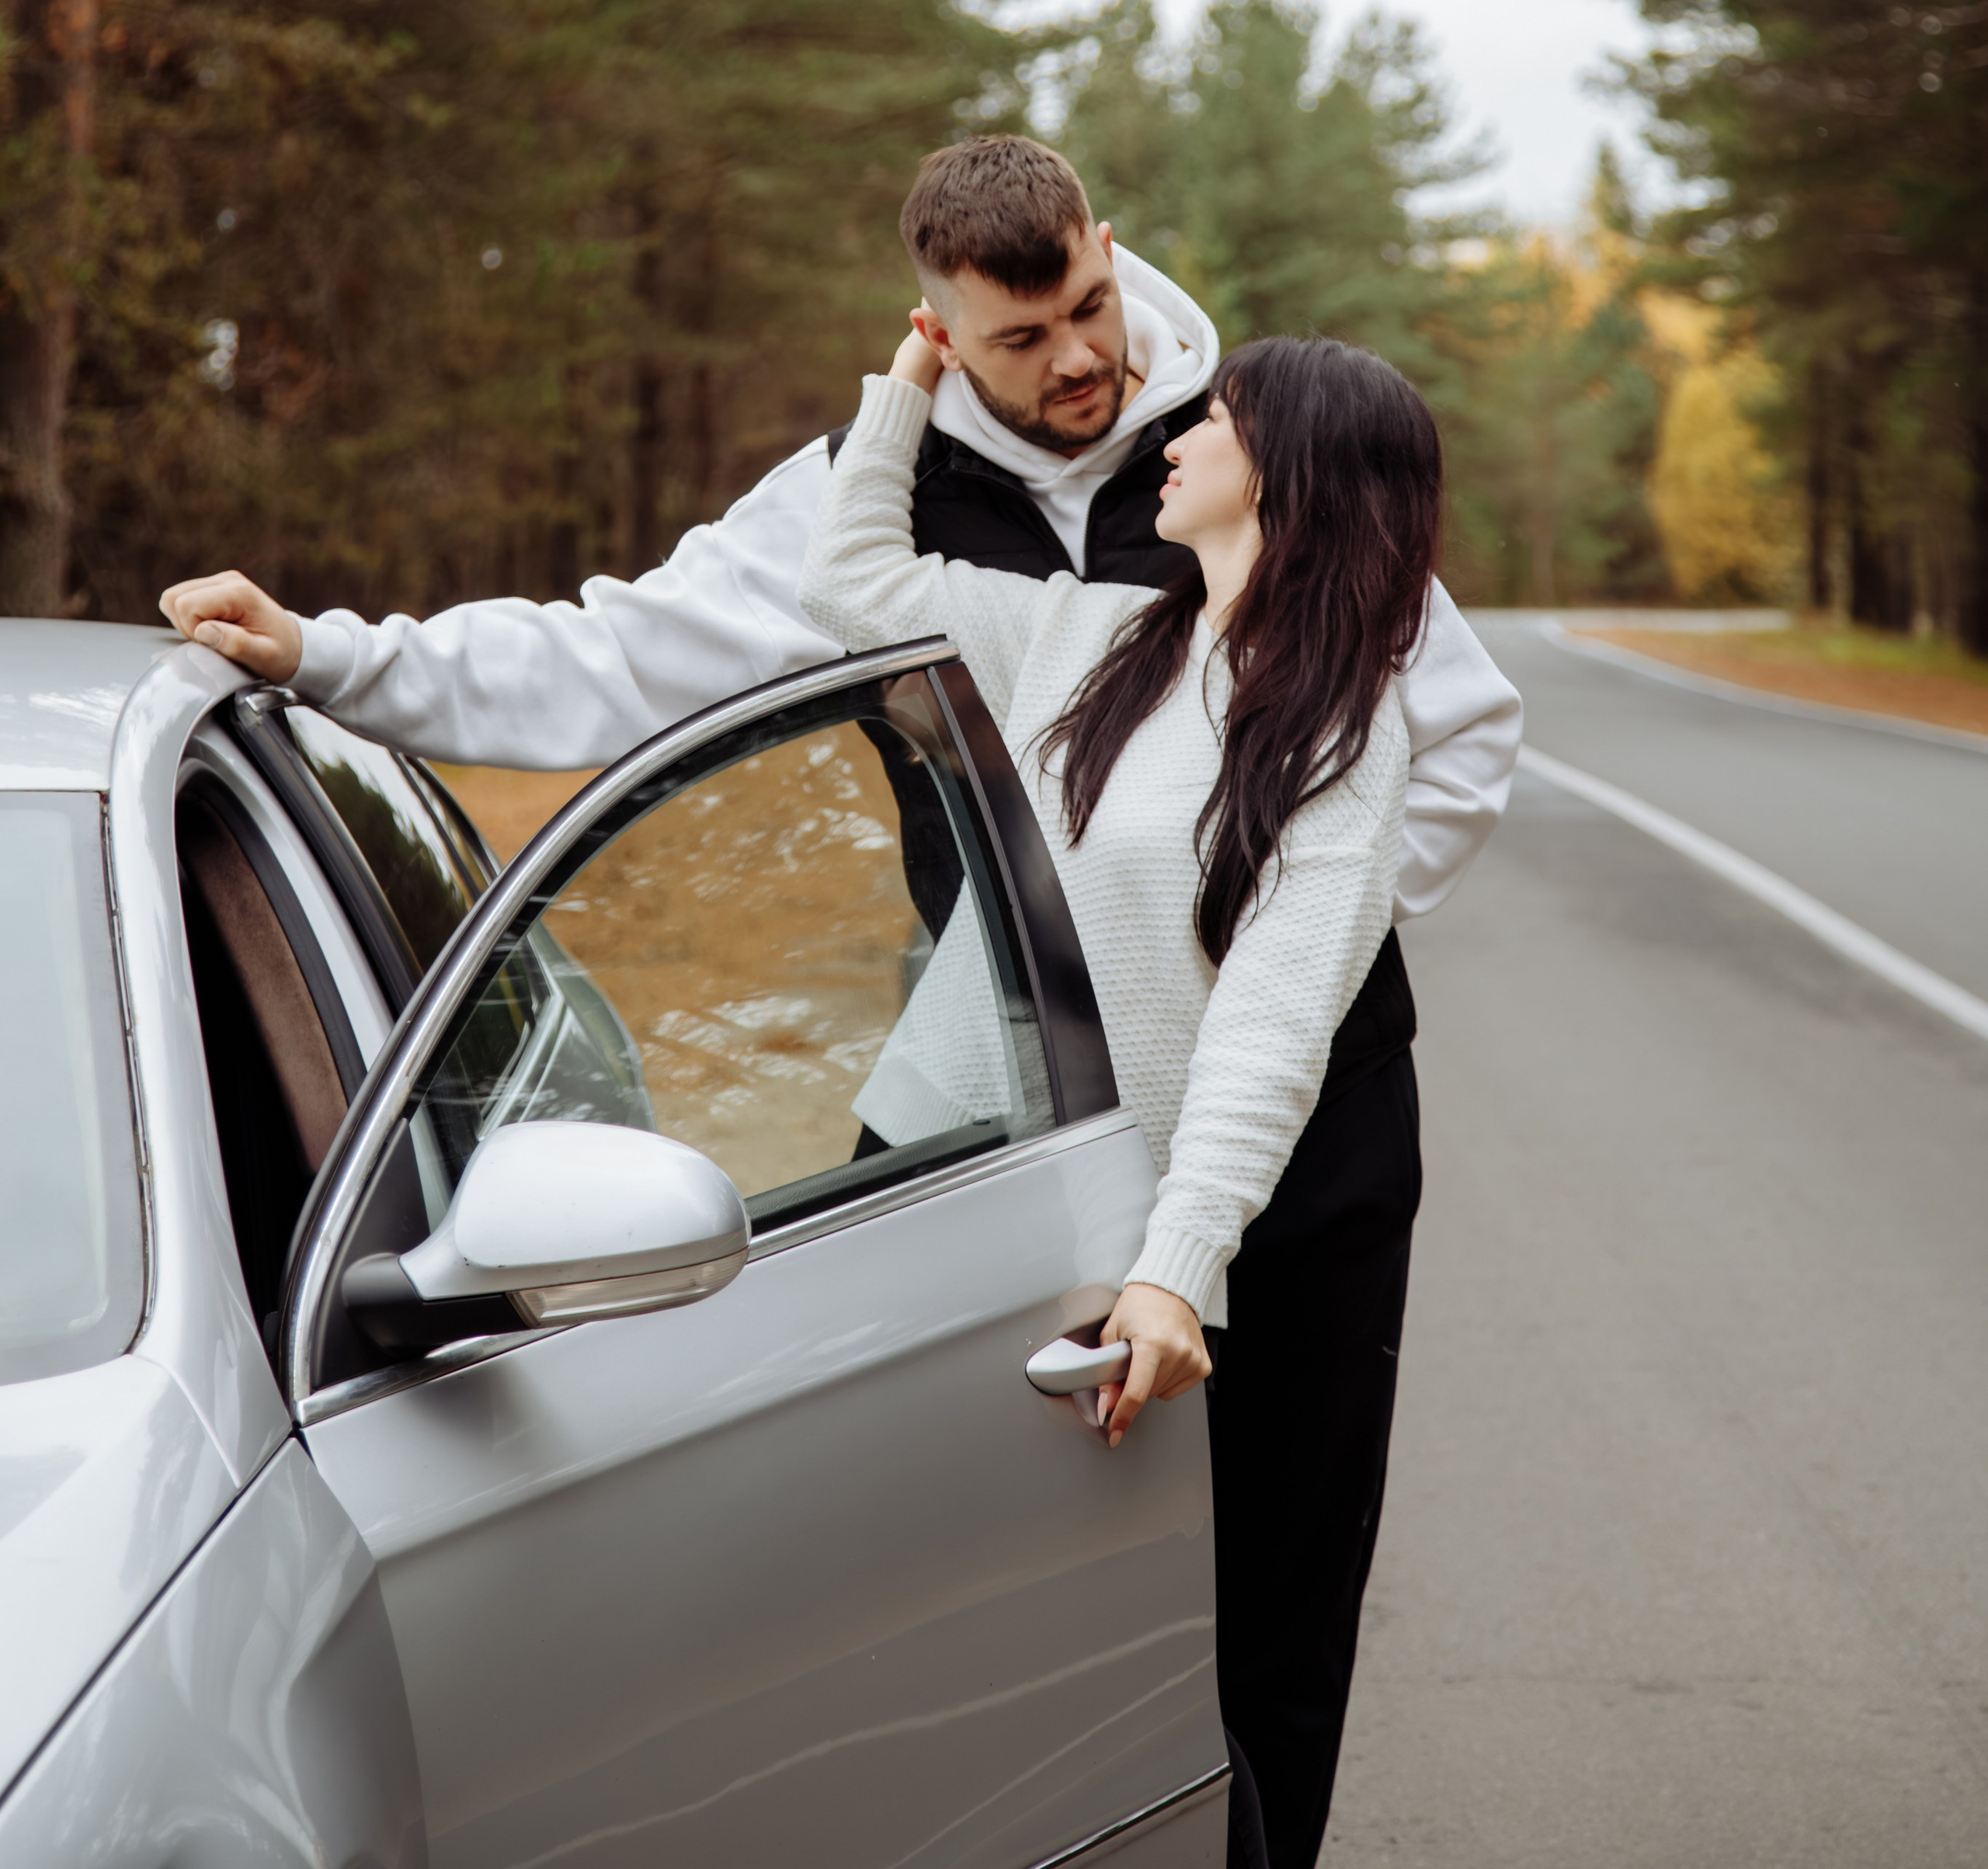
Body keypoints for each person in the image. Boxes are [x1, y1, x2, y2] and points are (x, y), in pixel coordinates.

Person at [160, 134, 1521, 1843]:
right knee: (1023, 1568)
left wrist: (1251, 936)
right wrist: (338, 658)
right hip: (1020, 1101)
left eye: (1090, 308)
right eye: (1022, 341)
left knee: (1279, 1583)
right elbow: (613, 657)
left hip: (1305, 1133)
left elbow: (1454, 734)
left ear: (1110, 250)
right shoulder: (860, 505)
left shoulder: (1253, 455)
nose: (1080, 360)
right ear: (938, 332)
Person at [798, 311, 1449, 1869]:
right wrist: (908, 381)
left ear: (1280, 472)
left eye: (1207, 421)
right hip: (1045, 1186)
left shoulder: (1343, 731)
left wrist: (1176, 1263)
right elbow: (851, 586)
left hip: (1249, 1227)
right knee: (1004, 1604)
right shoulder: (1100, 634)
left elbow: (1270, 1026)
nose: (1168, 442)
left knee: (1257, 1627)